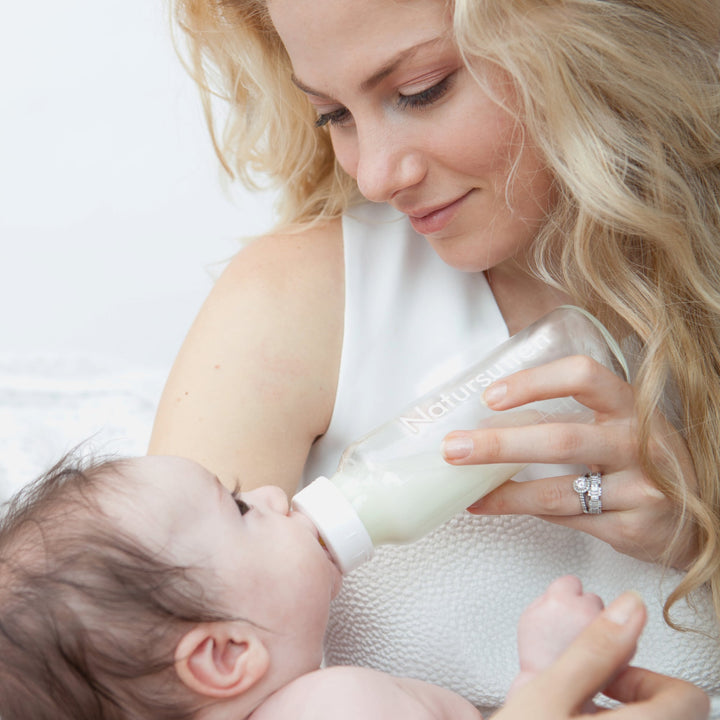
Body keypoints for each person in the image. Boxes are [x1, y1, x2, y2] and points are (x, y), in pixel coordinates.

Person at [149, 0, 720, 715]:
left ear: (593, 35)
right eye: (334, 115)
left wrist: (698, 537)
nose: (376, 176)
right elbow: (151, 672)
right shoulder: (294, 304)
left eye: (421, 90)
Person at [0, 452, 709, 720]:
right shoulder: (337, 706)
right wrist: (551, 669)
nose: (279, 495)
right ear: (223, 656)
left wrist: (540, 676)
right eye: (242, 509)